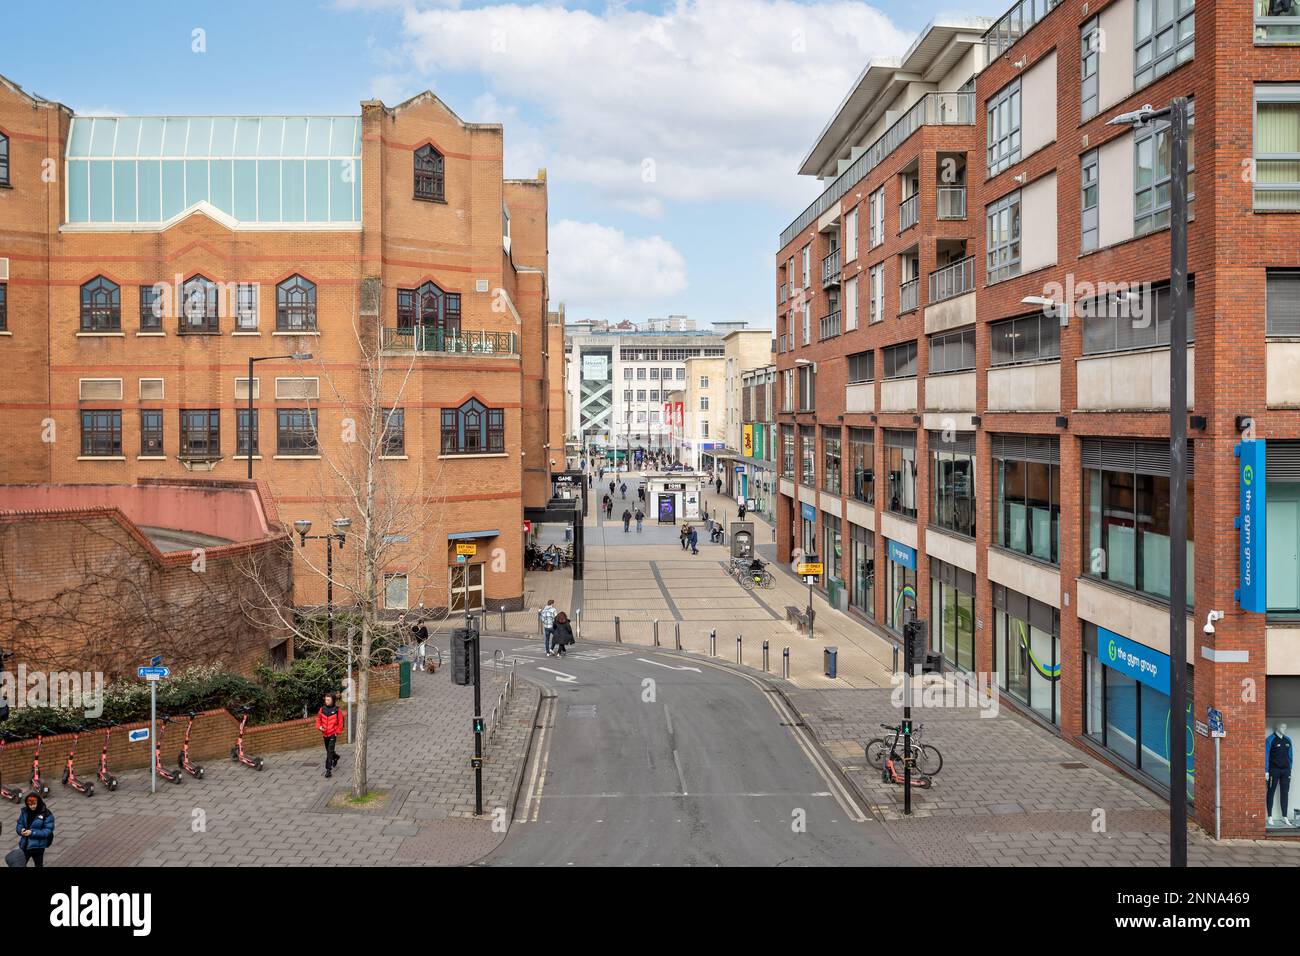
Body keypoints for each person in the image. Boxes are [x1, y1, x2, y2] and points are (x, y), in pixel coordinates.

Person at [15, 793, 53, 868]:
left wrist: (32, 833)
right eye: (30, 804)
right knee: (21, 864)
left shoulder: (46, 814)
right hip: (25, 845)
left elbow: (47, 831)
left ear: (38, 802)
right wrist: (21, 830)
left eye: (34, 804)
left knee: (38, 865)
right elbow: (19, 824)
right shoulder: (24, 812)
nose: (32, 806)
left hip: (38, 847)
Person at [315, 692, 345, 778]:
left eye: (328, 700)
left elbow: (341, 722)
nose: (326, 701)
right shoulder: (322, 709)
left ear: (333, 700)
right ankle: (336, 757)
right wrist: (319, 727)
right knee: (329, 751)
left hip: (333, 734)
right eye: (326, 699)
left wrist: (336, 732)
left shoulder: (337, 710)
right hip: (325, 733)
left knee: (329, 752)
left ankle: (328, 770)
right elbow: (318, 719)